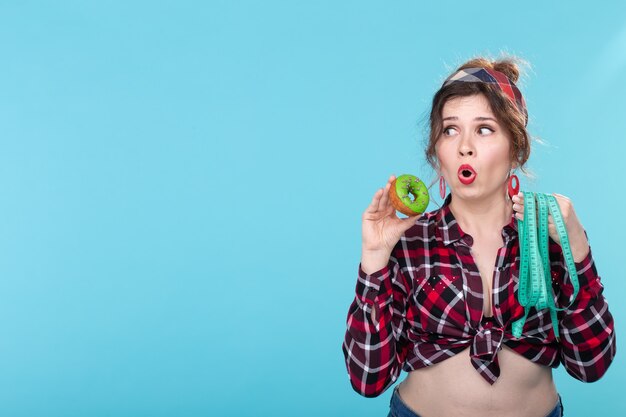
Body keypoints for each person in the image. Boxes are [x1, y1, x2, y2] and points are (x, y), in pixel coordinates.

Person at [341, 56, 617, 417]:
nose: (464, 147)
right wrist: (374, 259)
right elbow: (367, 380)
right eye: (450, 130)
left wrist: (577, 248)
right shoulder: (408, 241)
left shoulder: (548, 234)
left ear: (516, 148)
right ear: (436, 152)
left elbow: (591, 366)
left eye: (484, 129)